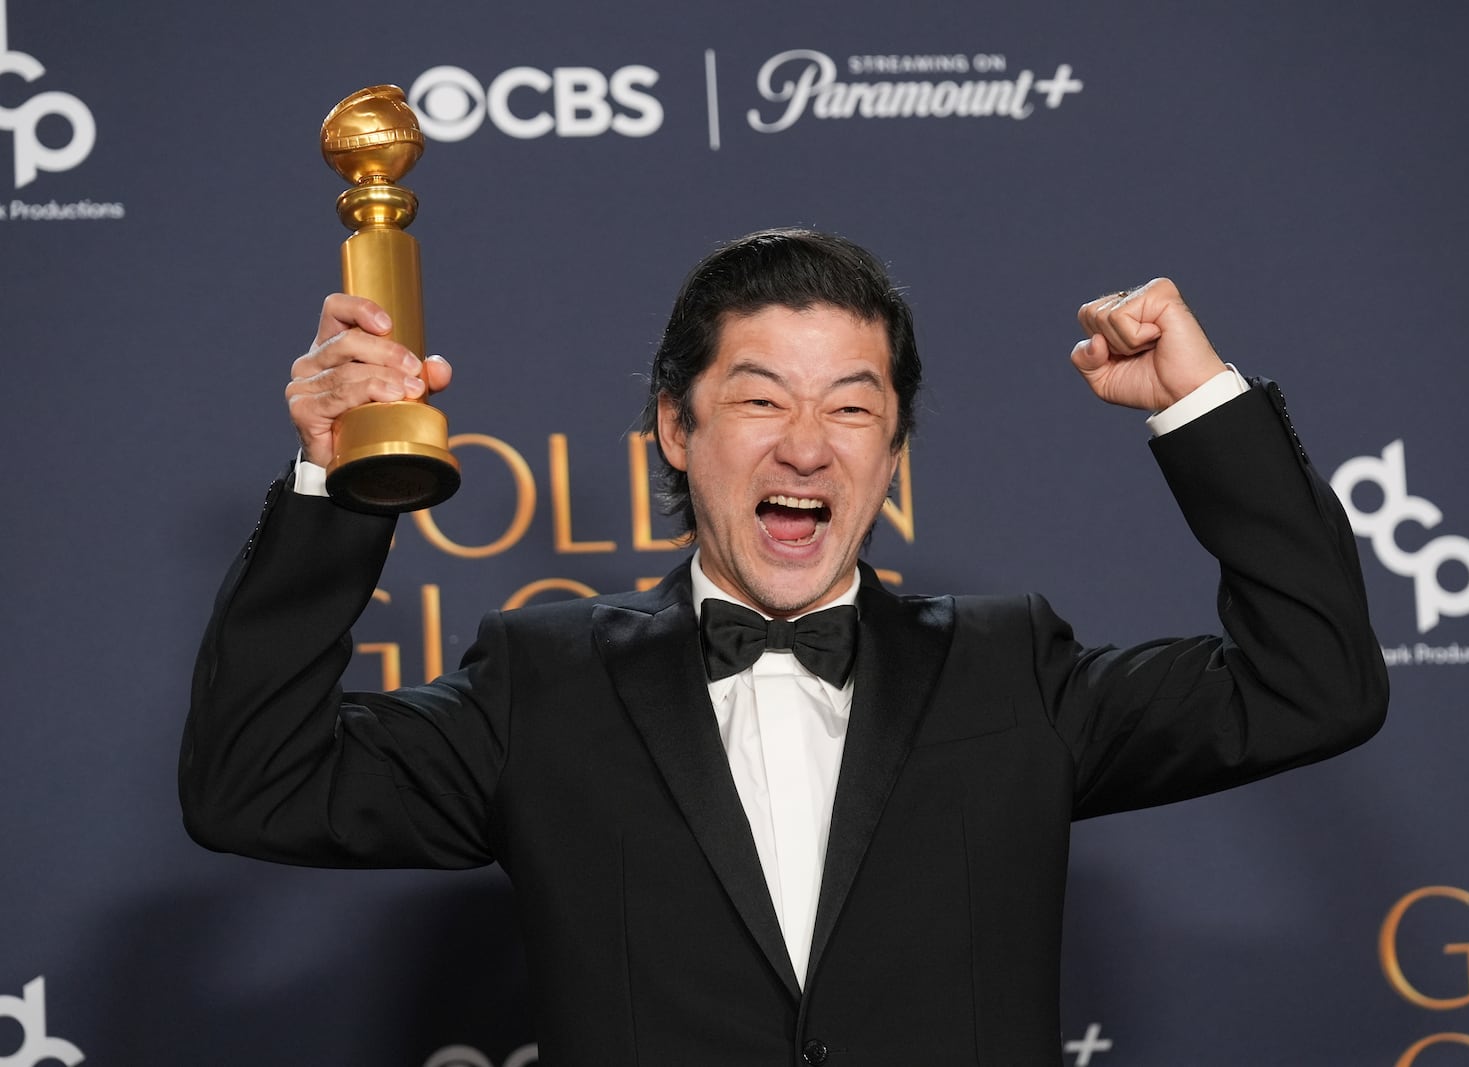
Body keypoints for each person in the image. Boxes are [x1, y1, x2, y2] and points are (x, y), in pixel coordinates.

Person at [182, 228, 1387, 1066]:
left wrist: (1202, 406)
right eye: (761, 397)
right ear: (672, 423)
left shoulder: (1008, 668)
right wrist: (339, 486)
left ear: (893, 453)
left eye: (852, 407)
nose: (808, 446)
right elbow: (255, 784)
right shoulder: (542, 683)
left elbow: (1313, 681)